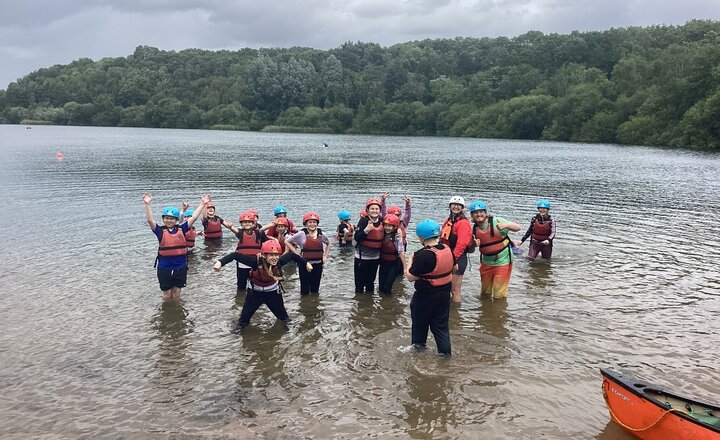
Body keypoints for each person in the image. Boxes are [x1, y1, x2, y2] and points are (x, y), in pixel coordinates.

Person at [213, 240, 312, 333]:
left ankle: (292, 333)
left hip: (273, 294)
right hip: (255, 294)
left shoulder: (280, 262)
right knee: (243, 322)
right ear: (264, 255)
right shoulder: (255, 262)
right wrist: (220, 263)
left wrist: (306, 263)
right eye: (271, 255)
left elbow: (292, 256)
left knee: (284, 319)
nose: (275, 258)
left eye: (277, 255)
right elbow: (235, 255)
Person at [142, 193, 209, 300]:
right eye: (167, 218)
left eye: (172, 218)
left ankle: (176, 311)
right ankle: (168, 311)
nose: (169, 220)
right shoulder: (160, 232)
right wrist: (147, 204)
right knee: (167, 294)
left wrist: (202, 203)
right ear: (163, 219)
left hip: (180, 266)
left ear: (176, 220)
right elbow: (150, 220)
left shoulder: (182, 228)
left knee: (177, 292)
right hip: (164, 267)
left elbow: (194, 217)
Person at [405, 219, 456, 356]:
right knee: (441, 328)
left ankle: (417, 352)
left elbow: (410, 277)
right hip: (444, 296)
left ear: (421, 237)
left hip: (425, 298)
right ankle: (446, 356)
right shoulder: (447, 249)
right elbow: (455, 268)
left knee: (420, 326)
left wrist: (409, 260)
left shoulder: (423, 255)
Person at [468, 201, 521, 299]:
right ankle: (487, 311)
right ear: (472, 215)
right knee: (485, 294)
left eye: (481, 211)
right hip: (486, 262)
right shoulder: (474, 229)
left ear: (485, 212)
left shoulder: (497, 221)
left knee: (499, 295)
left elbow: (518, 227)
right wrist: (473, 245)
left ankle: (499, 310)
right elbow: (470, 251)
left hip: (503, 261)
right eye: (476, 212)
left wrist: (506, 226)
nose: (479, 214)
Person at [285, 212, 331, 295]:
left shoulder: (322, 234)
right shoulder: (301, 234)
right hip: (304, 264)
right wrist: (296, 254)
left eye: (314, 222)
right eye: (310, 222)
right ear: (305, 223)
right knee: (304, 290)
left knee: (315, 290)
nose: (312, 224)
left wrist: (325, 256)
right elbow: (287, 241)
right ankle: (304, 304)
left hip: (318, 264)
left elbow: (329, 243)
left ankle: (313, 305)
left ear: (317, 223)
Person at [439, 196, 472, 303]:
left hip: (458, 258)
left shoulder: (463, 223)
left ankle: (456, 313)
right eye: (454, 204)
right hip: (447, 256)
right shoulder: (448, 220)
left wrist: (452, 260)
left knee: (455, 289)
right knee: (445, 287)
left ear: (462, 207)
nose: (456, 207)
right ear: (450, 206)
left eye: (458, 205)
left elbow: (461, 244)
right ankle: (449, 311)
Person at [227, 211, 270, 291]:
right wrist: (230, 227)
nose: (247, 224)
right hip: (242, 265)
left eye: (249, 222)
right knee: (241, 287)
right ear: (241, 224)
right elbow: (234, 230)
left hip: (255, 264)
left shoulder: (258, 233)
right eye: (244, 222)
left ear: (253, 224)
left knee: (256, 285)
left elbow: (264, 228)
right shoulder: (240, 233)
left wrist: (275, 223)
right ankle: (241, 297)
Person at [353, 198, 385, 294]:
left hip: (375, 258)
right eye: (372, 209)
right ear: (367, 210)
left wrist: (398, 231)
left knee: (370, 284)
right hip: (361, 258)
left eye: (377, 209)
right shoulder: (363, 221)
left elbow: (391, 230)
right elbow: (357, 237)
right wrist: (367, 229)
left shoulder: (382, 222)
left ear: (380, 211)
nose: (374, 211)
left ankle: (369, 304)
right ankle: (360, 304)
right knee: (359, 285)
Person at [378, 214, 407, 295]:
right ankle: (384, 304)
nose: (387, 228)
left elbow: (401, 252)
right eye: (386, 225)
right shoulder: (382, 234)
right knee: (381, 287)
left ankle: (388, 304)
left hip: (393, 264)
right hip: (383, 263)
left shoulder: (397, 237)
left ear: (395, 227)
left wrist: (405, 268)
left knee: (387, 288)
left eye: (390, 226)